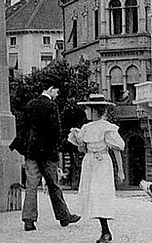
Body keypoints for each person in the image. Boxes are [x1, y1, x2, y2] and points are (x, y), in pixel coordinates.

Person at [10, 75, 80, 232]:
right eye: (56, 91)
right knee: (54, 185)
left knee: (31, 186)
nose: (57, 94)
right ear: (50, 89)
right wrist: (58, 147)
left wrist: (25, 148)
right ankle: (64, 217)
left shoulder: (30, 105)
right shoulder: (52, 107)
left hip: (32, 153)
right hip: (48, 154)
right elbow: (56, 131)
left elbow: (23, 130)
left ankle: (29, 220)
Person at [68, 93, 125, 243]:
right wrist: (78, 140)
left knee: (101, 194)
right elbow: (83, 149)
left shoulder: (107, 128)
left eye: (88, 109)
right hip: (90, 162)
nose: (86, 112)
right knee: (91, 193)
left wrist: (121, 170)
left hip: (102, 162)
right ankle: (104, 231)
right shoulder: (86, 127)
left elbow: (116, 149)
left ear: (95, 110)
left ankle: (105, 231)